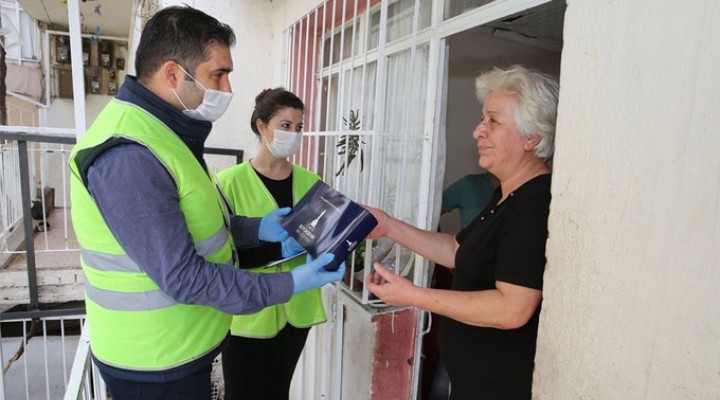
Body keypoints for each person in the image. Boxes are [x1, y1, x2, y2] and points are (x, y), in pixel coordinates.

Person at [68, 7, 343, 400]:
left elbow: (196, 224)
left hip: (182, 348)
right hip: (155, 364)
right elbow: (184, 276)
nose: (228, 89)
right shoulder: (129, 155)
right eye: (218, 74)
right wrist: (291, 283)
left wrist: (255, 228)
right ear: (172, 74)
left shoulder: (165, 134)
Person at [365, 65, 558, 400]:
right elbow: (458, 250)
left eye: (493, 121)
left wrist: (414, 296)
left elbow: (513, 309)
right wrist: (388, 224)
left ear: (532, 138)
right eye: (482, 119)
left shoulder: (536, 202)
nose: (477, 131)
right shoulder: (506, 195)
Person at [215, 88, 324, 399]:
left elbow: (322, 239)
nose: (293, 134)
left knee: (277, 392)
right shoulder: (228, 183)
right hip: (247, 309)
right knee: (241, 393)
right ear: (261, 126)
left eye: (298, 127)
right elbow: (224, 254)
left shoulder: (311, 183)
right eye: (285, 125)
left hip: (297, 309)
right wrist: (280, 250)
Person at [426, 171, 499, 399]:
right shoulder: (470, 185)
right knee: (450, 365)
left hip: (503, 295)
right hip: (467, 288)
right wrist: (447, 259)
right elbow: (429, 212)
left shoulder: (522, 193)